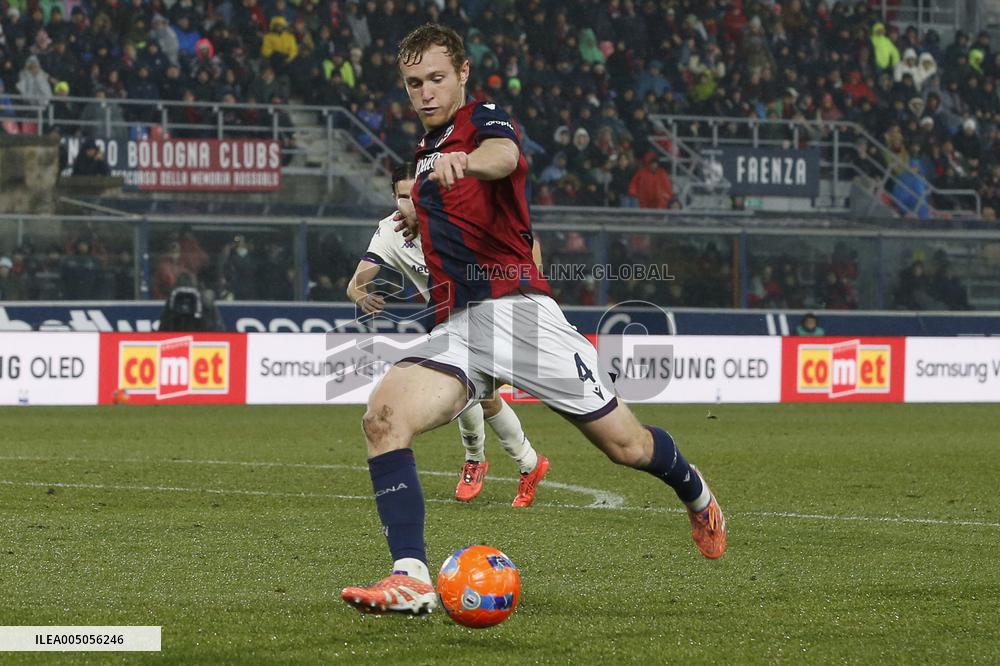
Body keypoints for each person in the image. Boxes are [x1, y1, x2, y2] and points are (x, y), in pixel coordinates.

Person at [341, 24, 726, 617]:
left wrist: (467, 162)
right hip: (459, 326)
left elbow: (505, 157)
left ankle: (696, 493)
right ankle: (410, 576)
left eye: (437, 78)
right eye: (414, 83)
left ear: (463, 73)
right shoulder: (423, 154)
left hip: (519, 316)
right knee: (382, 418)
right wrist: (420, 212)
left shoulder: (483, 122)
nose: (425, 92)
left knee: (627, 447)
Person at [345, 162, 550, 506]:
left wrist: (531, 291)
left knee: (466, 387)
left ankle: (478, 460)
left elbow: (529, 241)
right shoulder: (390, 231)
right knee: (479, 395)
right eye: (403, 197)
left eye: (417, 195)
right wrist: (361, 296)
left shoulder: (456, 215)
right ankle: (528, 463)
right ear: (394, 199)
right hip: (451, 319)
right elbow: (356, 283)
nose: (411, 204)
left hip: (493, 309)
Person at [158, 272, 224, 332]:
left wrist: (204, 311)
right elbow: (162, 332)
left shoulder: (205, 305)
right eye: (181, 298)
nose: (185, 303)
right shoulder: (172, 302)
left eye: (190, 298)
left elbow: (217, 333)